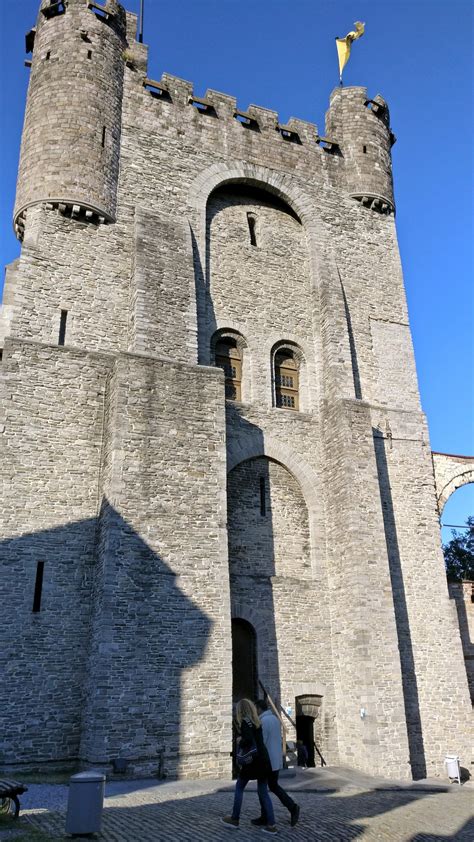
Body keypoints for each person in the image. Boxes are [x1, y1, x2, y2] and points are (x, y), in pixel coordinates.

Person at [222, 698, 277, 834]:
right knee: (263, 792)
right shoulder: (256, 722)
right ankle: (272, 825)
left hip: (253, 762)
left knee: (239, 787)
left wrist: (240, 741)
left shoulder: (246, 723)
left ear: (241, 710)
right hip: (264, 760)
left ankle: (235, 818)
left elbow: (247, 740)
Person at [253, 698, 300, 827]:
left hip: (266, 762)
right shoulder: (274, 719)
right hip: (275, 760)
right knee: (273, 786)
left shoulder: (263, 721)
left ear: (258, 709)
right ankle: (291, 807)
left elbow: (261, 743)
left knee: (262, 789)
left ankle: (267, 817)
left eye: (255, 709)